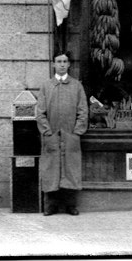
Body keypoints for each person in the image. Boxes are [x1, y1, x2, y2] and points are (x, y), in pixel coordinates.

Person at [36, 51, 88, 216]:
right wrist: (47, 132)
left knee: (70, 169)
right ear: (53, 64)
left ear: (69, 64)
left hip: (70, 136)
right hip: (52, 136)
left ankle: (70, 206)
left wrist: (76, 132)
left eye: (65, 61)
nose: (62, 64)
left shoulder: (76, 86)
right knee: (51, 169)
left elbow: (83, 111)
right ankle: (50, 206)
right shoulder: (46, 86)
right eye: (59, 61)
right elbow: (40, 112)